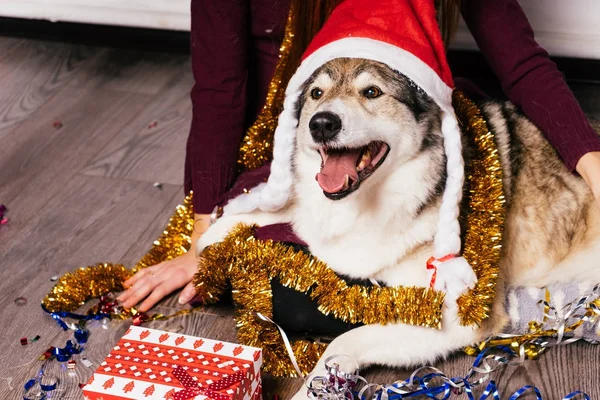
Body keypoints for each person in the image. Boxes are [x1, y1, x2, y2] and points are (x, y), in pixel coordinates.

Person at [118, 0, 600, 312]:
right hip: (289, 152)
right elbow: (219, 90)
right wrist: (202, 242)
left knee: (470, 241)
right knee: (273, 284)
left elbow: (522, 64)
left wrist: (594, 169)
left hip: (399, 129)